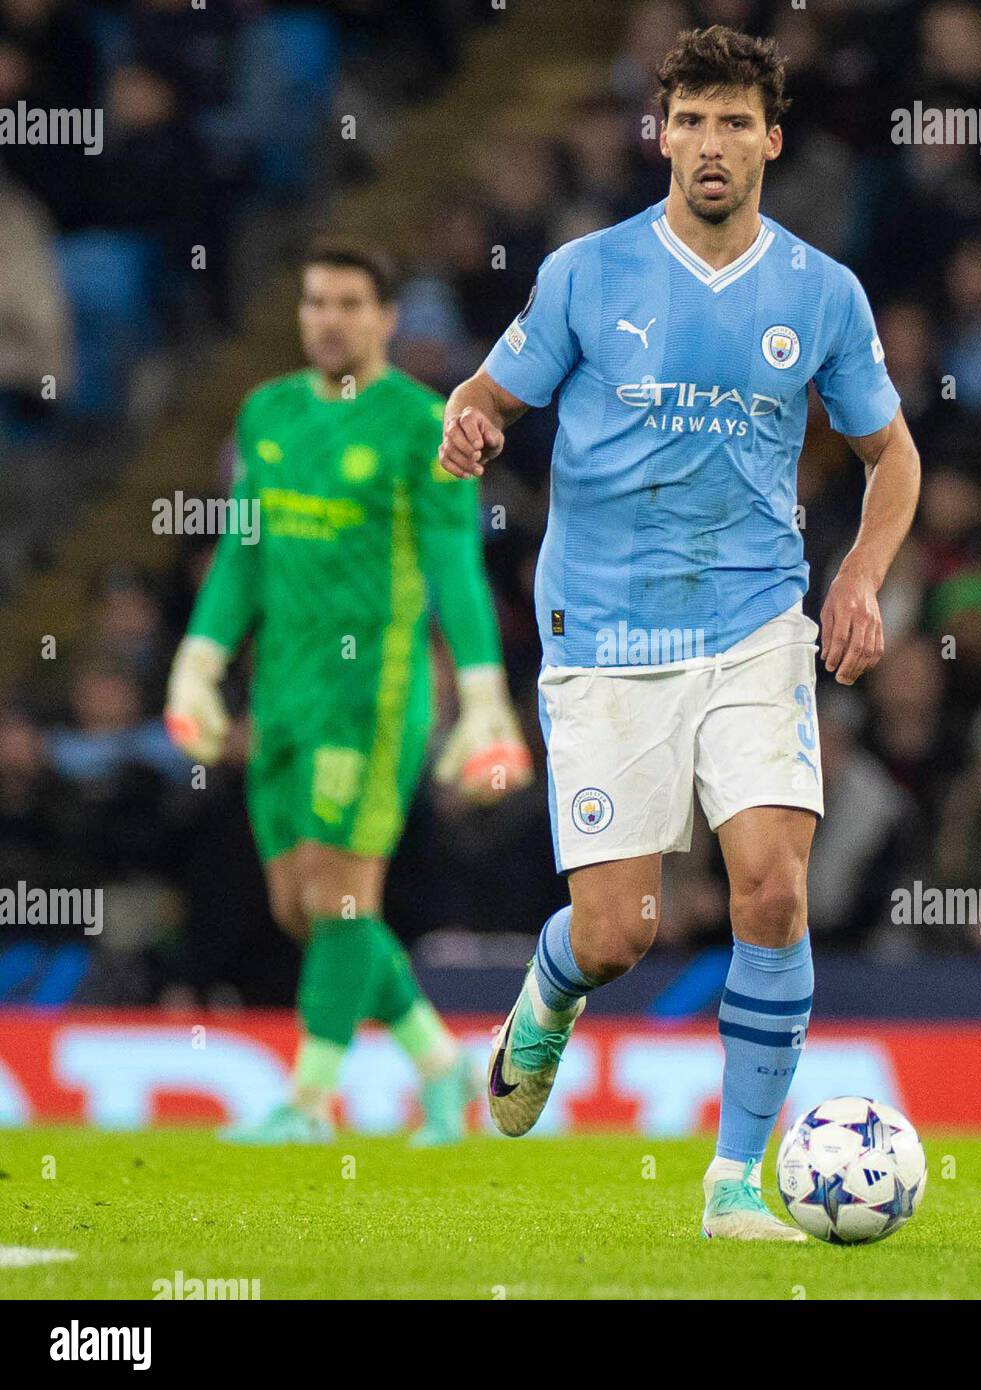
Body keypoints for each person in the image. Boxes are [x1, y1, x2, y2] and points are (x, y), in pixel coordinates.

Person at [439, 27, 919, 1238]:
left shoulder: (820, 292)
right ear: (662, 134)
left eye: (732, 122)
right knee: (619, 933)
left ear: (771, 140)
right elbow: (490, 393)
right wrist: (471, 422)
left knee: (769, 889)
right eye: (689, 119)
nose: (709, 143)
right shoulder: (586, 274)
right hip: (603, 633)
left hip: (756, 618)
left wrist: (858, 575)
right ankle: (549, 992)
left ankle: (729, 1186)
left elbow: (891, 454)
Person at [164, 238, 531, 1145]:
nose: (328, 319)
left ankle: (307, 1102)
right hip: (279, 697)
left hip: (371, 698)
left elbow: (455, 565)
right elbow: (244, 555)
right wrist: (200, 662)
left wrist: (484, 697)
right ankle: (444, 1069)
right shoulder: (266, 416)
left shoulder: (421, 423)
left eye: (348, 304)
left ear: (386, 318)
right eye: (315, 302)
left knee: (338, 899)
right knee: (299, 908)